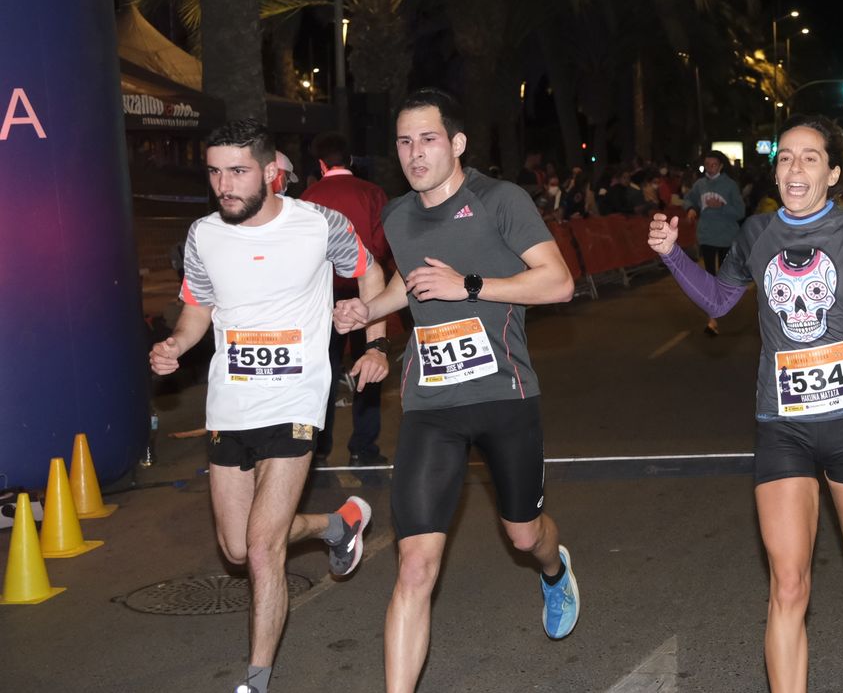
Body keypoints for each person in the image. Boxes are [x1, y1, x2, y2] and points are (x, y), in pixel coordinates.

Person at [646, 114, 843, 693]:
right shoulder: (757, 236)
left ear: (832, 172)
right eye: (785, 156)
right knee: (787, 586)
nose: (795, 168)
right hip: (780, 425)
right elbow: (719, 299)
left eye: (810, 157)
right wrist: (672, 256)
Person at [331, 89, 580, 692]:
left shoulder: (501, 201)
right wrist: (369, 319)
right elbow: (409, 287)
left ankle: (555, 569)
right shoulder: (396, 215)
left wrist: (468, 286)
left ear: (457, 143)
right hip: (431, 406)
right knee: (415, 564)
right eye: (404, 142)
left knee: (525, 534)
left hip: (504, 395)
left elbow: (559, 284)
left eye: (428, 139)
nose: (415, 154)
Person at [148, 119, 379, 693]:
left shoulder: (319, 224)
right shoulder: (203, 235)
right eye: (214, 172)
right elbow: (198, 308)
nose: (223, 184)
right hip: (231, 404)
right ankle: (336, 524)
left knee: (260, 546)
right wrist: (176, 343)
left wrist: (374, 338)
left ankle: (255, 682)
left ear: (270, 172)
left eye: (237, 171)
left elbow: (370, 271)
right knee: (235, 546)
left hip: (297, 397)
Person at [300, 132, 392, 468]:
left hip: (324, 299)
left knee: (323, 371)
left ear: (321, 164)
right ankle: (363, 448)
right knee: (368, 366)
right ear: (350, 160)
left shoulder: (308, 197)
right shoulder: (374, 193)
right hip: (367, 296)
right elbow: (381, 246)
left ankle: (319, 450)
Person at [684, 150, 746, 336]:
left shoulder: (730, 185)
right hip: (707, 236)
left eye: (713, 165)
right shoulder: (700, 184)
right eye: (707, 165)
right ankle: (712, 319)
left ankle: (723, 302)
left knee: (724, 277)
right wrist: (691, 209)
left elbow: (740, 212)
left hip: (726, 236)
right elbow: (689, 199)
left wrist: (723, 207)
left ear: (720, 165)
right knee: (710, 276)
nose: (710, 168)